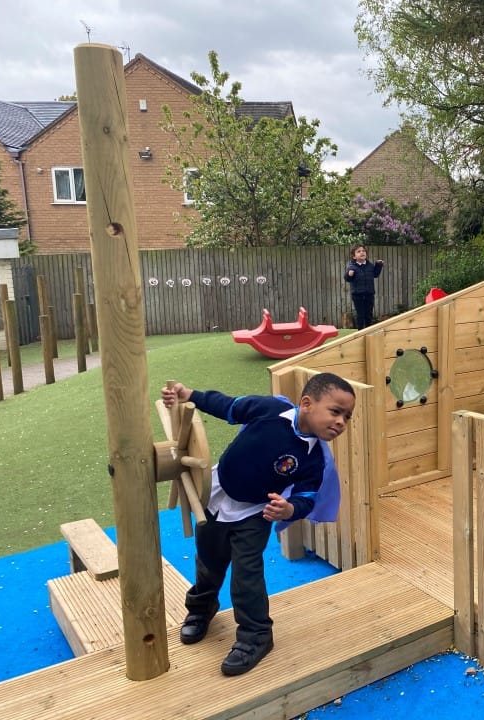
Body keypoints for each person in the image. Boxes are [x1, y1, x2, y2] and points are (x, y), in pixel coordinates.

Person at [160, 372, 355, 676]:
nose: (342, 422)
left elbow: (307, 497)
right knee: (209, 559)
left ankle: (256, 636)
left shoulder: (314, 459)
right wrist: (190, 394)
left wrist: (289, 508)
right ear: (306, 403)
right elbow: (227, 406)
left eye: (347, 417)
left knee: (246, 574)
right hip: (215, 494)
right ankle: (201, 608)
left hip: (255, 514)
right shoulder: (268, 410)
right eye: (335, 411)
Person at [344, 243, 385, 330]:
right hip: (357, 295)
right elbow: (347, 279)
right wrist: (349, 274)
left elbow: (375, 274)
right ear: (354, 256)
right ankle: (360, 332)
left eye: (363, 251)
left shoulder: (369, 266)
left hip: (369, 294)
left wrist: (379, 265)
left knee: (368, 314)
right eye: (359, 251)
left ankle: (369, 331)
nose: (362, 252)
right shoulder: (352, 267)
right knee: (360, 314)